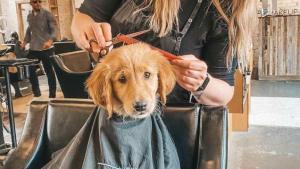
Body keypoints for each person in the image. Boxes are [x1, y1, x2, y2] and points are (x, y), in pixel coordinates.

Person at [71, 0, 256, 106]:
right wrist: (88, 32)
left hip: (174, 120)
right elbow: (82, 18)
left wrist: (201, 82)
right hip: (114, 110)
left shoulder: (227, 9)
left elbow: (224, 92)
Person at [20, 0, 57, 98]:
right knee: (30, 70)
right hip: (34, 48)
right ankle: (36, 93)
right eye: (35, 2)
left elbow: (54, 30)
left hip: (46, 49)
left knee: (49, 71)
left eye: (40, 1)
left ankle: (52, 95)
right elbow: (29, 30)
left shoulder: (48, 15)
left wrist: (50, 41)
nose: (38, 4)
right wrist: (24, 43)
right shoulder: (29, 16)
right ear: (31, 3)